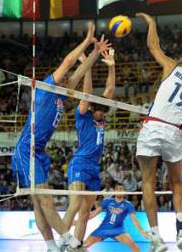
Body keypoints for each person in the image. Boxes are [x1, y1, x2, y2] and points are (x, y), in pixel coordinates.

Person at [11, 23, 112, 252]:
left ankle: (51, 247)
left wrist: (95, 54)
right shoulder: (47, 88)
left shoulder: (61, 97)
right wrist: (86, 41)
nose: (69, 81)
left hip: (39, 152)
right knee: (45, 198)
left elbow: (77, 75)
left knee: (39, 204)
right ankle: (68, 239)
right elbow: (68, 64)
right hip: (26, 150)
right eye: (65, 79)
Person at [135, 12, 182, 252]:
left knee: (148, 182)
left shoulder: (173, 67)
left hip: (153, 125)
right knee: (176, 183)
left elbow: (152, 45)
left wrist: (152, 22)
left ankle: (155, 239)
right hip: (176, 133)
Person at [62, 47, 116, 249]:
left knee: (85, 212)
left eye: (103, 111)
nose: (102, 113)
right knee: (75, 205)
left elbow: (109, 92)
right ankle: (62, 240)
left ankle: (76, 244)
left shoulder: (101, 116)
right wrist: (88, 67)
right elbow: (87, 93)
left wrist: (112, 66)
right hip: (79, 163)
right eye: (99, 110)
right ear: (93, 109)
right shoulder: (83, 114)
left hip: (94, 167)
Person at [80, 183, 150, 251]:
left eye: (121, 189)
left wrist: (141, 231)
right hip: (103, 229)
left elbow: (134, 219)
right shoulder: (107, 201)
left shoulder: (128, 205)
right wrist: (79, 222)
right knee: (83, 246)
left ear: (124, 192)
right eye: (117, 189)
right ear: (114, 191)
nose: (119, 190)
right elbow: (93, 213)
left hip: (118, 230)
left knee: (133, 245)